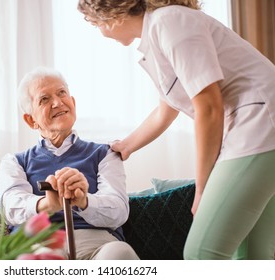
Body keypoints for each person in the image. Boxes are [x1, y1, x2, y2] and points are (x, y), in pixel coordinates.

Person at [77, 0, 275, 260]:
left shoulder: (168, 22)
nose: (101, 33)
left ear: (109, 17)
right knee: (253, 256)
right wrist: (126, 146)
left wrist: (203, 188)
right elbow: (166, 110)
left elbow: (209, 107)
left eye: (95, 25)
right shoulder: (158, 35)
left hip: (260, 124)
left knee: (201, 254)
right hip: (257, 128)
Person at [0, 66, 139, 260]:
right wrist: (46, 204)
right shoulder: (14, 162)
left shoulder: (106, 153)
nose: (57, 102)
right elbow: (10, 207)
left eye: (62, 93)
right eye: (44, 99)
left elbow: (119, 211)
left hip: (96, 244)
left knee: (120, 253)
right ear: (31, 120)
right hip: (38, 245)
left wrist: (83, 201)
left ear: (73, 103)